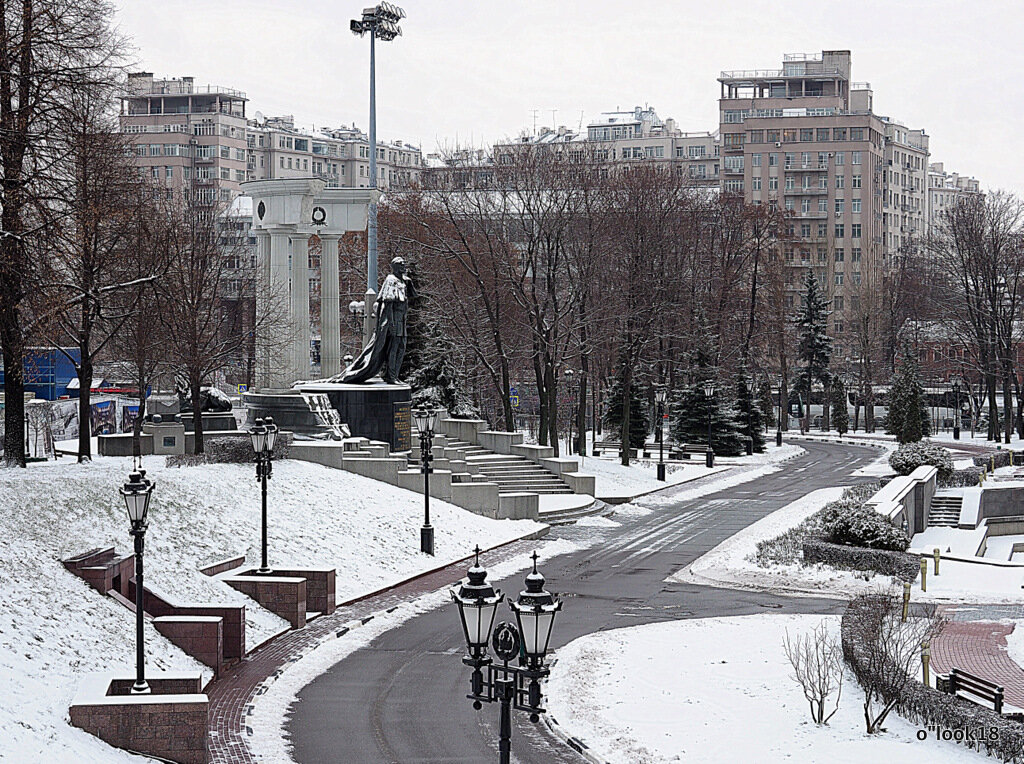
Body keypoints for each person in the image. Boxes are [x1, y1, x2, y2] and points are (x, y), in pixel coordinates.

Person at [336, 257, 415, 384]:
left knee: (401, 347)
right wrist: (391, 324)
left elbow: (409, 297)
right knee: (393, 348)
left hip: (402, 320)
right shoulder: (391, 280)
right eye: (401, 264)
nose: (403, 266)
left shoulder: (404, 281)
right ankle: (391, 376)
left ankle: (394, 374)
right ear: (395, 266)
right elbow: (388, 304)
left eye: (403, 264)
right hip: (393, 320)